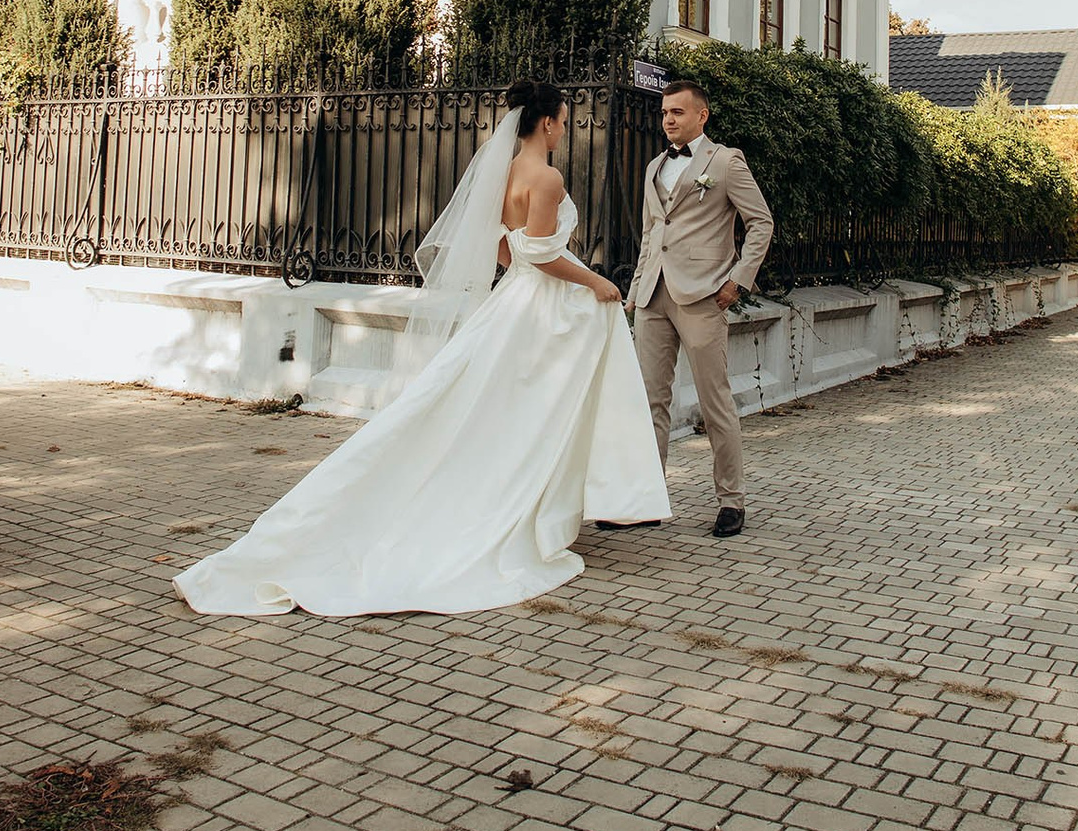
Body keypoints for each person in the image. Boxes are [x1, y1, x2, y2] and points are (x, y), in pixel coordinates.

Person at [174, 76, 670, 617]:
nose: (564, 131)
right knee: (527, 411)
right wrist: (595, 281)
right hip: (538, 308)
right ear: (547, 121)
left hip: (513, 302)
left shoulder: (502, 172)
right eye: (563, 121)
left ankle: (522, 502)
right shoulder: (546, 177)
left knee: (494, 408)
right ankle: (523, 508)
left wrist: (536, 270)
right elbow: (546, 256)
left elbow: (507, 252)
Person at [626, 78, 773, 538]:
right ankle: (646, 499)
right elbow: (653, 233)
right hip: (653, 296)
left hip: (704, 297)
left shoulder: (725, 162)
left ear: (701, 116)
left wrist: (737, 281)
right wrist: (635, 289)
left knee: (715, 403)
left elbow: (761, 222)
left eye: (678, 112)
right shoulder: (654, 166)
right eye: (665, 112)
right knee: (650, 401)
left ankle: (732, 501)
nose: (668, 119)